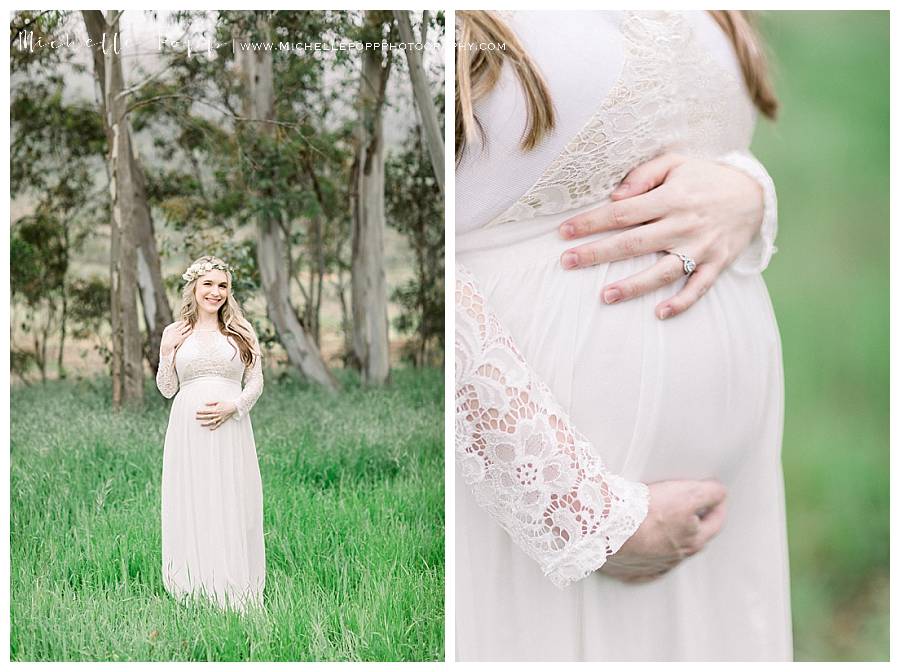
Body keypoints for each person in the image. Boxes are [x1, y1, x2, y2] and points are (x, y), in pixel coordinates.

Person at [455, 10, 791, 661]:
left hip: (723, 513)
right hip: (526, 507)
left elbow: (706, 133)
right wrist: (573, 508)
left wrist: (748, 192)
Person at [156, 255, 265, 613]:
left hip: (231, 426)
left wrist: (234, 407)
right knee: (194, 497)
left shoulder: (241, 331)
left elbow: (256, 381)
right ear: (194, 288)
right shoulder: (175, 332)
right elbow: (167, 389)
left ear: (229, 292)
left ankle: (233, 586)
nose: (215, 292)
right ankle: (195, 585)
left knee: (230, 497)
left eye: (222, 286)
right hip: (188, 430)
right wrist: (167, 352)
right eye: (208, 284)